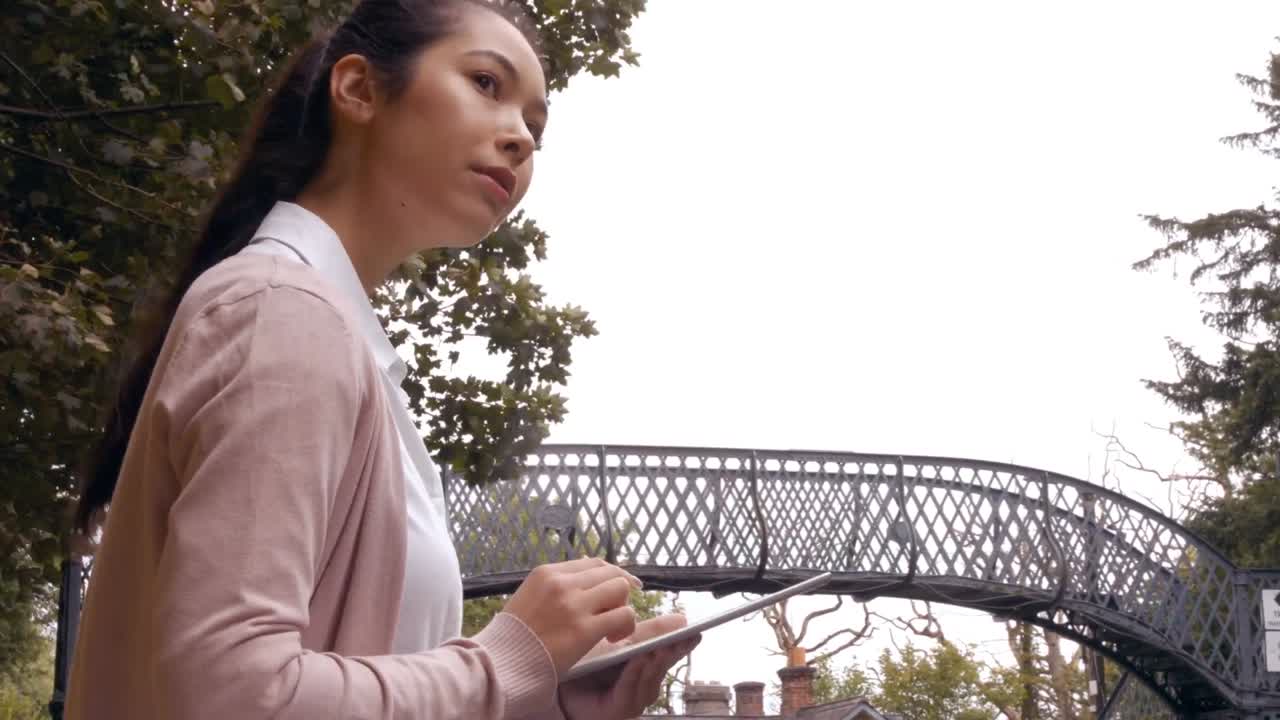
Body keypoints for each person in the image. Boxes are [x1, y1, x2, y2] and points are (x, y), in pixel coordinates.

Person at [65, 1, 696, 718]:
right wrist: (506, 659)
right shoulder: (283, 314)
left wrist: (540, 699)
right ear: (360, 89)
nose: (520, 136)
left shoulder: (325, 333)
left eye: (537, 129)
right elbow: (235, 695)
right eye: (487, 83)